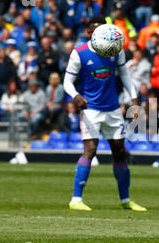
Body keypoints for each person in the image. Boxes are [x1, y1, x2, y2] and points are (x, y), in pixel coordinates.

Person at [63, 16, 146, 212]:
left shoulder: (115, 49)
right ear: (88, 33)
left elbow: (125, 74)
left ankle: (125, 199)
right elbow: (67, 81)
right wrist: (75, 95)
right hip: (90, 109)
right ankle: (76, 199)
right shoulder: (79, 53)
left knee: (119, 152)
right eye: (94, 31)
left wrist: (133, 98)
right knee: (90, 150)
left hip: (113, 109)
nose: (99, 34)